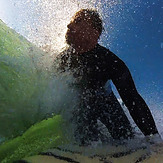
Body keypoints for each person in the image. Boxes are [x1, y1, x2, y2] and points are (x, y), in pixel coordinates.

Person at [56, 9, 160, 145]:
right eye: (71, 21)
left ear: (95, 33)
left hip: (106, 102)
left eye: (78, 21)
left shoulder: (110, 62)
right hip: (79, 104)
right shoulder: (62, 60)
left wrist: (153, 137)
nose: (69, 26)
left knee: (126, 137)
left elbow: (132, 99)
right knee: (84, 132)